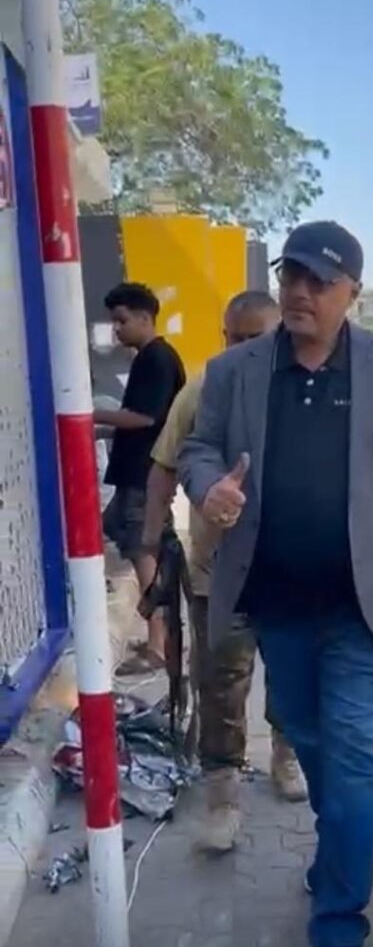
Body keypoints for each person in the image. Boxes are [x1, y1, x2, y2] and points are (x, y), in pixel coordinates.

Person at [179, 221, 373, 947]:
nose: (300, 291)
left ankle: (338, 938)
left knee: (352, 759)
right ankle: (338, 848)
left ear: (352, 294)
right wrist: (209, 488)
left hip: (366, 607)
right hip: (278, 602)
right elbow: (200, 448)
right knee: (308, 738)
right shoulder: (235, 370)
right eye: (292, 276)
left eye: (319, 280)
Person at [142, 292, 307, 849]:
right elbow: (163, 469)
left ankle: (286, 757)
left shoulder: (303, 391)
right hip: (218, 574)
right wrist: (150, 544)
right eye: (235, 338)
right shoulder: (201, 391)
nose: (245, 349)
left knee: (290, 674)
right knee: (219, 685)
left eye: (257, 338)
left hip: (289, 572)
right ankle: (222, 796)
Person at [97, 283, 185, 673]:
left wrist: (89, 415)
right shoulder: (149, 358)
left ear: (145, 318)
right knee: (117, 530)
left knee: (145, 550)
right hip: (137, 472)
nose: (116, 329)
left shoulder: (157, 360)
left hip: (145, 475)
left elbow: (146, 418)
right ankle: (162, 636)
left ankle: (158, 646)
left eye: (122, 321)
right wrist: (103, 429)